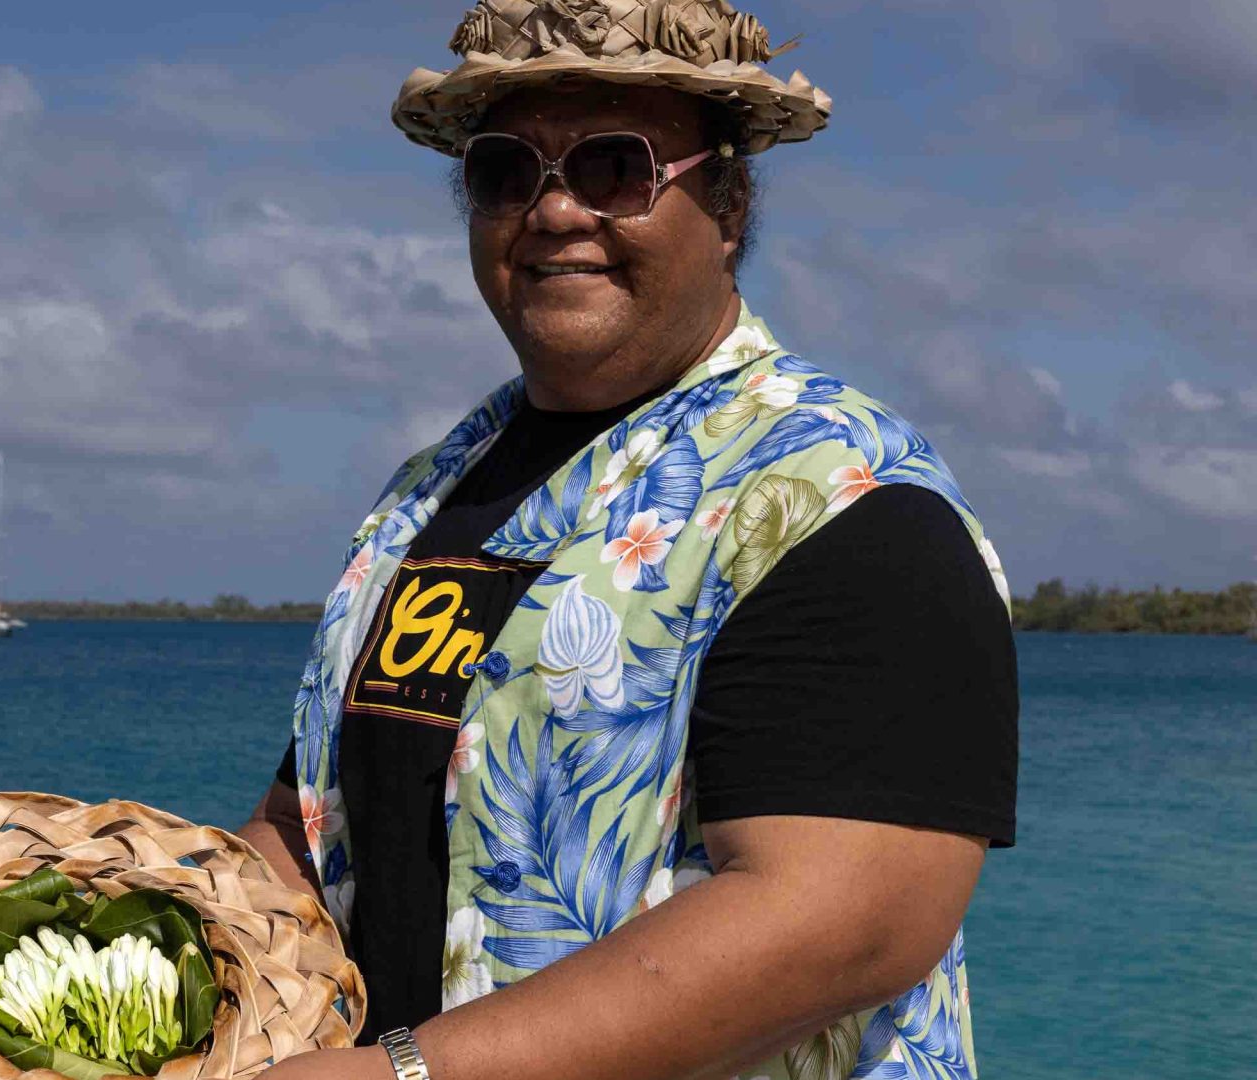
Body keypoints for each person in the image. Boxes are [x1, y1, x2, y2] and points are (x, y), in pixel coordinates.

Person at [235, 3, 1019, 1079]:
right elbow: (311, 822)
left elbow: (851, 919)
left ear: (730, 202)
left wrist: (404, 1073)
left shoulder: (841, 499)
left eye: (617, 167)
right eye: (507, 172)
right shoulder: (431, 495)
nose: (555, 210)